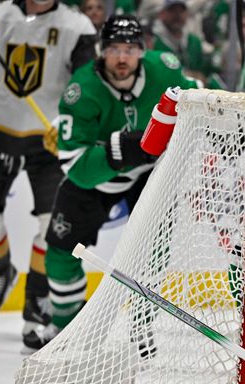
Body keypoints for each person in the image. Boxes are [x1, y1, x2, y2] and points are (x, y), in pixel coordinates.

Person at [23, 15, 198, 351]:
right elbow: (77, 168)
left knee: (155, 250)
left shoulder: (165, 70)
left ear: (142, 51)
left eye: (130, 49)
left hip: (150, 174)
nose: (122, 57)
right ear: (101, 51)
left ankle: (143, 321)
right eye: (114, 49)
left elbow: (197, 100)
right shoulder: (82, 90)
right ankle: (66, 329)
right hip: (99, 177)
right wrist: (124, 148)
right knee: (60, 251)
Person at [0, 0, 96, 345]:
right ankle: (1, 273)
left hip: (49, 144)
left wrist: (69, 122)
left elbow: (87, 88)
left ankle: (37, 303)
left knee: (54, 224)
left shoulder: (77, 27)